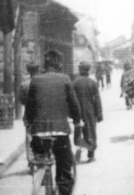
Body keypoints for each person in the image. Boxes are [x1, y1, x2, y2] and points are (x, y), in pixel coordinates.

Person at [25, 50, 81, 195]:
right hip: (60, 132)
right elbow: (74, 104)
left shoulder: (35, 80)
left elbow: (30, 108)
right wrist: (76, 121)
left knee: (41, 159)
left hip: (38, 133)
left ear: (45, 64)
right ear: (60, 64)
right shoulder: (65, 79)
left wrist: (30, 125)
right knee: (64, 167)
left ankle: (42, 177)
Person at [73, 62, 103, 162]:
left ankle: (79, 148)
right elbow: (97, 99)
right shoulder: (92, 82)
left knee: (78, 132)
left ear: (80, 69)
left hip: (78, 112)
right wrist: (99, 114)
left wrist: (70, 112)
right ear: (88, 70)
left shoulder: (75, 82)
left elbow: (71, 98)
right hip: (90, 112)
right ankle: (91, 155)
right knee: (90, 133)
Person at [19, 62, 39, 173]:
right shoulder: (43, 83)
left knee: (30, 138)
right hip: (42, 116)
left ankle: (32, 164)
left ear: (28, 71)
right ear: (38, 70)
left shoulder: (24, 85)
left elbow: (21, 101)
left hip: (29, 116)